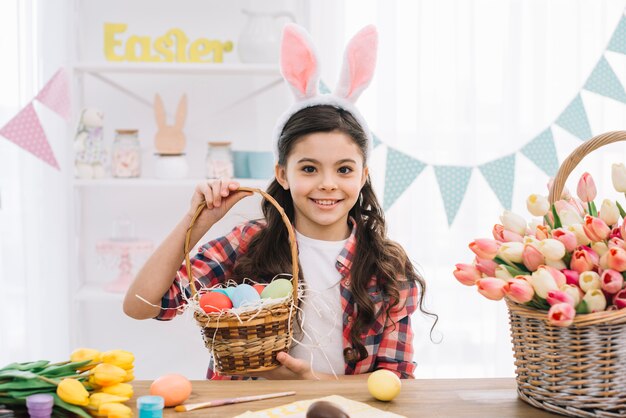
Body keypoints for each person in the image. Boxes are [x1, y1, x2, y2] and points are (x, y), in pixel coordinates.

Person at [123, 23, 436, 380]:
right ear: (283, 174)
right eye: (309, 168)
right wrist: (197, 221)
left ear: (363, 176)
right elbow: (141, 306)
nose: (328, 184)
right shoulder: (248, 243)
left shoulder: (386, 265)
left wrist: (311, 385)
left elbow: (396, 377)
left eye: (344, 169)